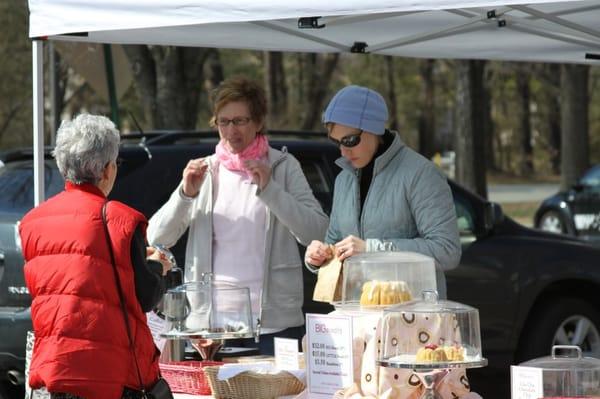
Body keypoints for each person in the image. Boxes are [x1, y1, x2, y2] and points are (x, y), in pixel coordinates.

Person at [147, 77, 328, 355]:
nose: (231, 130)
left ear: (258, 122)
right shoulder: (205, 170)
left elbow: (316, 231)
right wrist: (185, 194)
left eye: (240, 121)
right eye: (224, 122)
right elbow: (157, 238)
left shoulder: (282, 165)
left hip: (273, 327)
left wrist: (270, 190)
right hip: (213, 330)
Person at [19, 114, 172, 399]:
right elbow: (145, 296)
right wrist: (158, 266)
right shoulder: (122, 221)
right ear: (106, 170)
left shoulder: (31, 222)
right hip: (111, 374)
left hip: (55, 371)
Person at [304, 85, 461, 298]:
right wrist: (319, 256)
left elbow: (447, 251)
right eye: (336, 142)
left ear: (374, 129)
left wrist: (373, 249)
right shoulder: (344, 179)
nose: (343, 150)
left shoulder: (421, 174)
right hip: (359, 315)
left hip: (411, 318)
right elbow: (336, 244)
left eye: (350, 140)